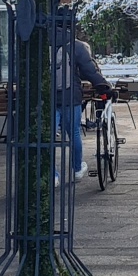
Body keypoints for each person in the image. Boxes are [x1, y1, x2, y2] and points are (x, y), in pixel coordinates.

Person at [55, 29, 111, 177]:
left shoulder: (41, 44)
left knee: (48, 137)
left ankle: (53, 175)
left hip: (48, 99)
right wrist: (104, 87)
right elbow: (90, 71)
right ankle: (77, 169)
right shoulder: (77, 46)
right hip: (71, 97)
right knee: (74, 133)